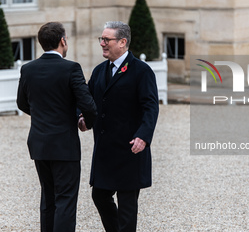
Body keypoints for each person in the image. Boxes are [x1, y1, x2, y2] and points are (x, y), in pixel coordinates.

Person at [16, 22, 97, 232]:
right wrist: (85, 122)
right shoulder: (71, 68)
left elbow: (22, 103)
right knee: (65, 200)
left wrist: (43, 116)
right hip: (64, 145)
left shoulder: (28, 69)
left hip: (39, 144)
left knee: (48, 198)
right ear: (62, 40)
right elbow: (88, 105)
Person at [79, 21, 159, 232]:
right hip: (105, 150)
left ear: (122, 42)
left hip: (130, 148)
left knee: (127, 206)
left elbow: (150, 107)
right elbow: (88, 100)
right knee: (99, 195)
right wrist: (82, 117)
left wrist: (143, 136)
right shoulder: (98, 71)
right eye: (101, 39)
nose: (102, 44)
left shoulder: (141, 71)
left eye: (107, 40)